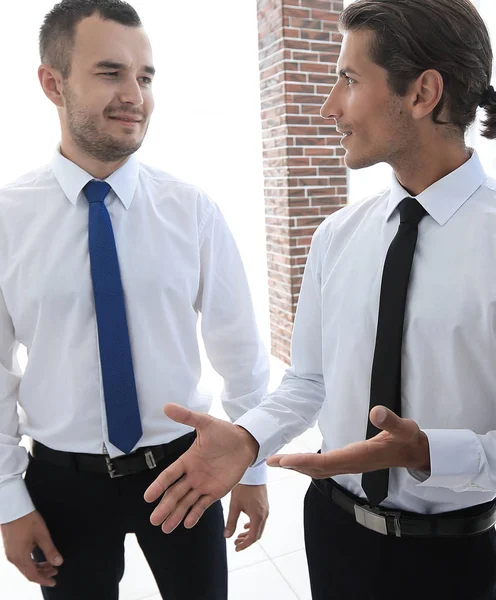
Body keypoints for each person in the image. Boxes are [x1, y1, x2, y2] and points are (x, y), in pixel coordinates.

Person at [143, 1, 496, 599]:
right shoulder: (337, 236)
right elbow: (309, 379)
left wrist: (437, 452)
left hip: (460, 558)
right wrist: (250, 435)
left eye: (350, 80)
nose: (330, 106)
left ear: (424, 92)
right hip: (336, 534)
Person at [0, 1, 270, 598]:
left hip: (184, 468)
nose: (135, 95)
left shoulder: (190, 208)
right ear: (52, 82)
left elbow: (241, 347)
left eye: (145, 77)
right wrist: (8, 501)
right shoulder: (6, 219)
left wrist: (252, 464)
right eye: (110, 73)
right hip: (61, 480)